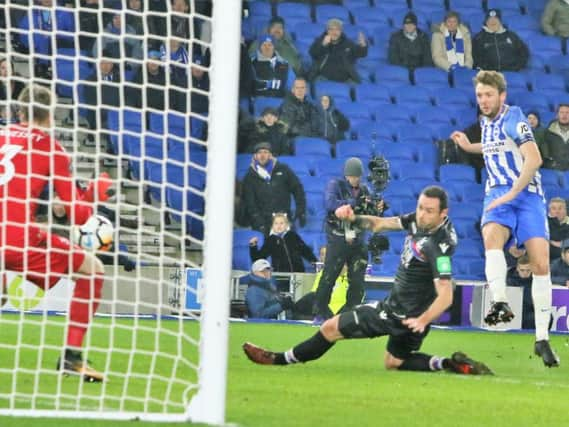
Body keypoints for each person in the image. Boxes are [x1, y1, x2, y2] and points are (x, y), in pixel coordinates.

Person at [243, 186, 493, 376]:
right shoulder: (419, 222)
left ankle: (276, 359)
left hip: (398, 314)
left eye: (429, 211)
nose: (422, 215)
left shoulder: (437, 245)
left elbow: (446, 294)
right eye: (420, 208)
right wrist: (353, 218)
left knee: (330, 328)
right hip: (410, 317)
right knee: (393, 362)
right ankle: (450, 364)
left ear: (443, 213)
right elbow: (380, 224)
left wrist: (423, 319)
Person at [0, 85, 112, 382]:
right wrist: (93, 192)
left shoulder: (1, 135)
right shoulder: (51, 148)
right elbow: (78, 215)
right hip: (18, 240)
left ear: (19, 111)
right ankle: (71, 358)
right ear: (49, 116)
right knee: (92, 270)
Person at [451, 70, 559, 367]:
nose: (483, 101)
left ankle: (541, 339)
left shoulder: (515, 118)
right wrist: (467, 146)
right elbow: (493, 147)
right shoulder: (486, 122)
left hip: (526, 195)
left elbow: (534, 159)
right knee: (491, 238)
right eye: (479, 96)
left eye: (488, 95)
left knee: (540, 263)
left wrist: (513, 193)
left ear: (502, 96)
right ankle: (499, 301)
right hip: (497, 194)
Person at [312, 158, 375, 322]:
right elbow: (330, 203)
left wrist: (376, 206)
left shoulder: (365, 190)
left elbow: (370, 211)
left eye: (358, 176)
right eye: (353, 176)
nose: (355, 179)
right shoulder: (335, 185)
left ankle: (350, 313)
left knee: (357, 280)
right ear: (346, 175)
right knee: (330, 275)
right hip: (338, 237)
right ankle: (320, 312)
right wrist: (353, 203)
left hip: (358, 238)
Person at [240, 142, 307, 234]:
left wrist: (301, 209)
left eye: (265, 152)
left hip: (283, 219)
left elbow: (297, 188)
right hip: (262, 223)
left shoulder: (283, 169)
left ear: (270, 155)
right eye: (259, 152)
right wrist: (259, 223)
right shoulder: (249, 177)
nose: (262, 155)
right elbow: (250, 204)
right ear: (255, 156)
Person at [249, 212, 317, 273]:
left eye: (281, 223)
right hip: (281, 276)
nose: (279, 226)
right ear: (272, 226)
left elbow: (306, 251)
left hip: (298, 274)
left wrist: (316, 264)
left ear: (287, 225)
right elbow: (258, 259)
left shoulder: (293, 236)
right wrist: (253, 246)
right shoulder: (270, 240)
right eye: (276, 223)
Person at [308, 18, 368, 83]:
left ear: (341, 31)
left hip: (345, 80)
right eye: (331, 29)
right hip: (323, 78)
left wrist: (363, 45)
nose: (334, 32)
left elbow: (361, 53)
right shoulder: (320, 41)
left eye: (337, 29)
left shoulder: (348, 43)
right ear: (327, 31)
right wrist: (323, 44)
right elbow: (313, 53)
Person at [250, 35, 295, 99]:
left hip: (280, 101)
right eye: (264, 45)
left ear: (274, 47)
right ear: (260, 47)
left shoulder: (284, 64)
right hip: (258, 100)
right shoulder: (251, 63)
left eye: (270, 45)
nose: (267, 48)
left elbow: (292, 86)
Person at [506, 254, 535, 329]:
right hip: (514, 311)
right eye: (522, 270)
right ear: (517, 269)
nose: (525, 273)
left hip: (530, 311)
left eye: (528, 270)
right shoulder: (509, 281)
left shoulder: (536, 280)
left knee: (547, 316)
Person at [542, 103, 569, 171]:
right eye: (562, 112)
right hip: (553, 170)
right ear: (557, 115)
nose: (564, 115)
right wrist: (551, 164)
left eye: (567, 112)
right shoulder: (546, 133)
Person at [0, 57, 25, 124]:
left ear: (12, 70)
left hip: (16, 118)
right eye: (3, 68)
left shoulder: (19, 84)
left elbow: (24, 103)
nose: (6, 71)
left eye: (8, 68)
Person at [547, 197, 569, 262]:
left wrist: (563, 244)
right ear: (549, 211)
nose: (557, 211)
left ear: (565, 210)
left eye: (560, 208)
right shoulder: (543, 225)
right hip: (548, 262)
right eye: (554, 209)